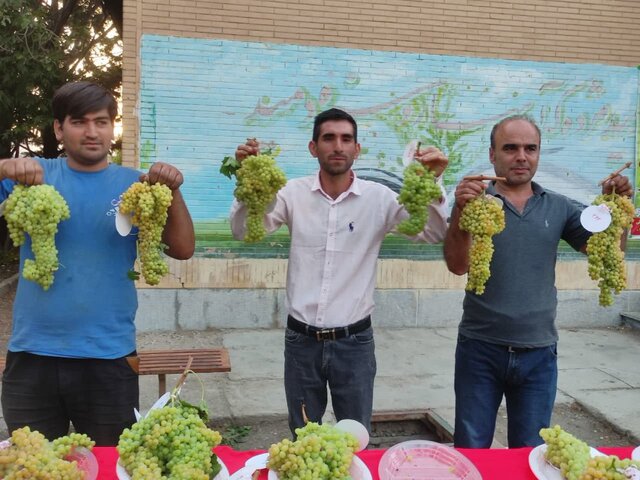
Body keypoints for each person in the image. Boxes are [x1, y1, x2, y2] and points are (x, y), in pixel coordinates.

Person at [230, 108, 450, 435]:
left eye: (346, 139)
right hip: (301, 341)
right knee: (304, 437)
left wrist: (432, 181)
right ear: (313, 147)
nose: (338, 146)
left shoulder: (379, 199)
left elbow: (434, 233)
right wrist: (249, 182)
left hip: (355, 343)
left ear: (357, 149)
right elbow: (243, 230)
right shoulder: (292, 194)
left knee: (355, 436)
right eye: (329, 138)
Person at [0, 81, 195, 445]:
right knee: (35, 466)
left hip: (109, 359)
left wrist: (173, 190)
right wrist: (3, 168)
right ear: (59, 128)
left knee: (109, 464)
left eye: (102, 121)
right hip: (31, 359)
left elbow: (183, 249)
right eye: (79, 122)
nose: (92, 132)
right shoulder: (32, 176)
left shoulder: (136, 184)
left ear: (112, 128)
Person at [443, 114, 633, 448]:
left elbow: (606, 253)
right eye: (510, 147)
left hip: (538, 354)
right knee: (472, 450)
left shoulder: (559, 207)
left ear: (539, 154)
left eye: (530, 148)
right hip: (479, 350)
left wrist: (617, 208)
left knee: (530, 452)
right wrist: (459, 211)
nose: (521, 156)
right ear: (492, 154)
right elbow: (458, 265)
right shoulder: (474, 205)